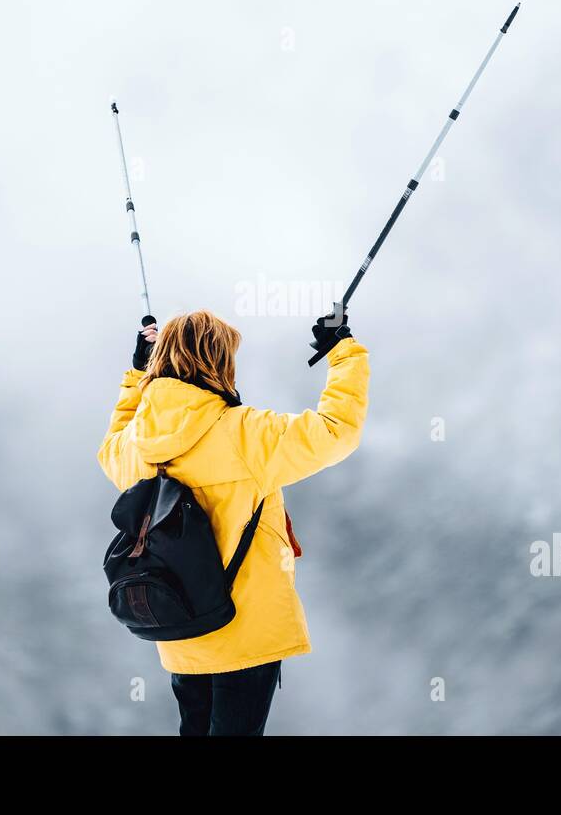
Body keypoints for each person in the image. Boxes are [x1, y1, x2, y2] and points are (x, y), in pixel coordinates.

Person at [98, 309, 369, 735]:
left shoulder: (136, 445)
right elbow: (336, 431)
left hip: (181, 628)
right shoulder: (247, 433)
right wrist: (343, 352)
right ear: (220, 361)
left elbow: (110, 445)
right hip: (246, 633)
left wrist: (136, 377)